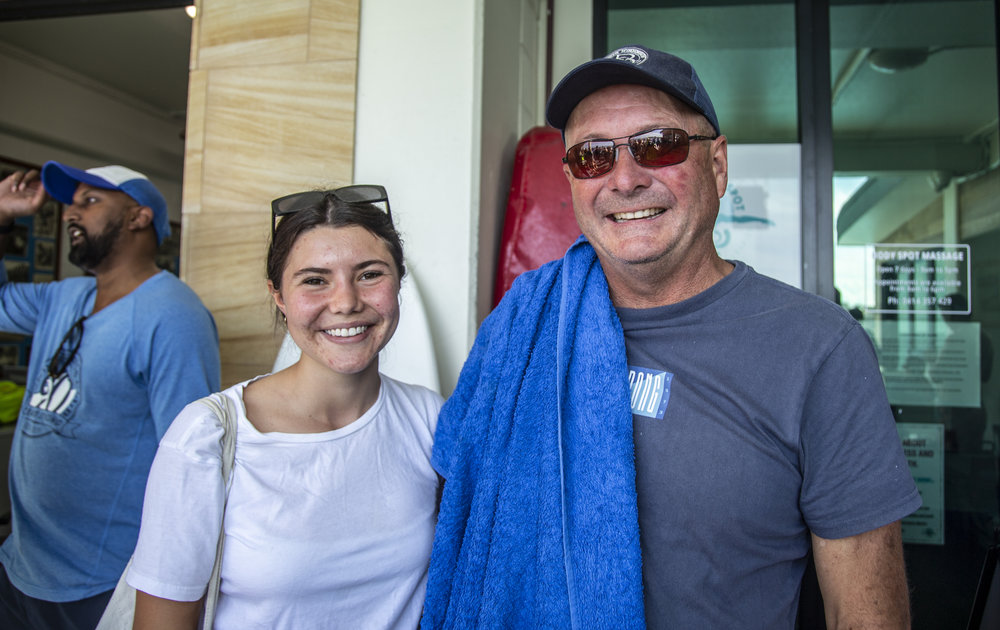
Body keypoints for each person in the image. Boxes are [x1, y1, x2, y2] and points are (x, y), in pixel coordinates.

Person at [422, 46, 922, 629]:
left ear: (717, 165)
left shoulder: (819, 347)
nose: (625, 179)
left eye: (659, 145)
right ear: (571, 180)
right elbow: (452, 518)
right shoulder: (523, 325)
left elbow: (865, 614)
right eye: (592, 157)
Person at [127, 186, 443, 629]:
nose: (346, 301)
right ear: (278, 295)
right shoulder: (208, 436)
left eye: (370, 274)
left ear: (398, 282)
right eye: (315, 280)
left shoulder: (429, 418)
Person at [0, 163, 221, 630]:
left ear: (138, 217)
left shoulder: (174, 317)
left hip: (101, 583)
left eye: (89, 201)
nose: (68, 215)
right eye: (71, 204)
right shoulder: (62, 298)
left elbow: (193, 466)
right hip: (20, 565)